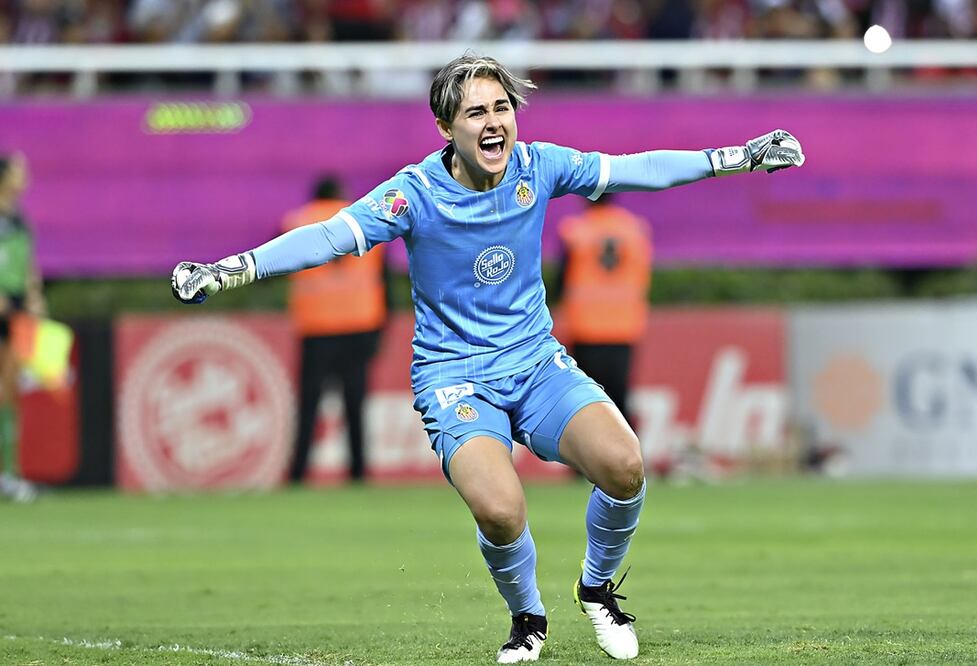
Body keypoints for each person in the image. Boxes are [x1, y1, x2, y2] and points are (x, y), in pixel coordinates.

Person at [171, 53, 805, 662]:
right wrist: (233, 269)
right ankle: (528, 620)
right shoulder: (413, 194)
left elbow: (637, 169)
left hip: (534, 363)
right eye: (475, 113)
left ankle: (597, 591)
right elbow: (332, 236)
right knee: (501, 510)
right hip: (454, 380)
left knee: (625, 465)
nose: (494, 121)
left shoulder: (541, 165)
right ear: (446, 127)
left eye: (502, 107)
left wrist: (737, 157)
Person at [283, 175, 388, 485]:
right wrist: (380, 331)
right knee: (355, 405)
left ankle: (298, 474)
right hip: (359, 325)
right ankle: (357, 472)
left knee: (308, 406)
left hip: (316, 329)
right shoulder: (364, 218)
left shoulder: (296, 221)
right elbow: (381, 280)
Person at [556, 193, 652, 424]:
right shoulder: (634, 229)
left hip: (586, 326)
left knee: (586, 398)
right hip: (624, 325)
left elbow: (561, 279)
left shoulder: (575, 230)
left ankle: (586, 458)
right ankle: (627, 454)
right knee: (619, 397)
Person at [0, 152, 46, 503]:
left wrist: (33, 297)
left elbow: (27, 264)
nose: (25, 177)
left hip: (14, 312)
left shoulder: (17, 219)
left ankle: (9, 474)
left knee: (11, 391)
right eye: (19, 171)